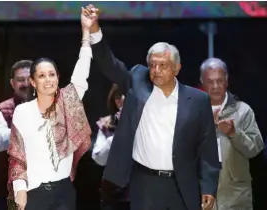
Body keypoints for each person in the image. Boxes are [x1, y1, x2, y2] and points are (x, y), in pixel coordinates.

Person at [82, 5, 220, 210]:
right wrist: (93, 29)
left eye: (163, 65)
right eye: (152, 64)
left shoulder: (198, 100)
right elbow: (108, 63)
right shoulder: (137, 81)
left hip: (182, 183)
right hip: (145, 183)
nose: (156, 70)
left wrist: (209, 187)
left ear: (177, 68)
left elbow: (208, 150)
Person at [7, 9, 93, 210]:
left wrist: (86, 34)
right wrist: (20, 189)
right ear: (33, 82)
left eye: (52, 74)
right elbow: (17, 155)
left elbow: (82, 73)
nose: (48, 80)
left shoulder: (67, 103)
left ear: (58, 78)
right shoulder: (23, 112)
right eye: (42, 76)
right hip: (34, 193)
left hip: (64, 191)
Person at [199, 58, 264, 210]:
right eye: (210, 82)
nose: (215, 86)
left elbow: (255, 149)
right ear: (202, 82)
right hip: (203, 196)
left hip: (236, 198)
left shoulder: (243, 111)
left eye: (220, 81)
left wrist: (234, 133)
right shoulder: (193, 111)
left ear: (227, 81)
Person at [0, 59, 32, 210]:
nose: (26, 84)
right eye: (20, 80)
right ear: (13, 83)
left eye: (30, 79)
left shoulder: (52, 108)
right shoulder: (1, 111)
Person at [92, 84, 129, 210]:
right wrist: (116, 137)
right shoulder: (106, 124)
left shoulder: (143, 122)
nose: (122, 99)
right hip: (112, 191)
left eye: (126, 95)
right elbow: (99, 159)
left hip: (138, 190)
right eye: (118, 96)